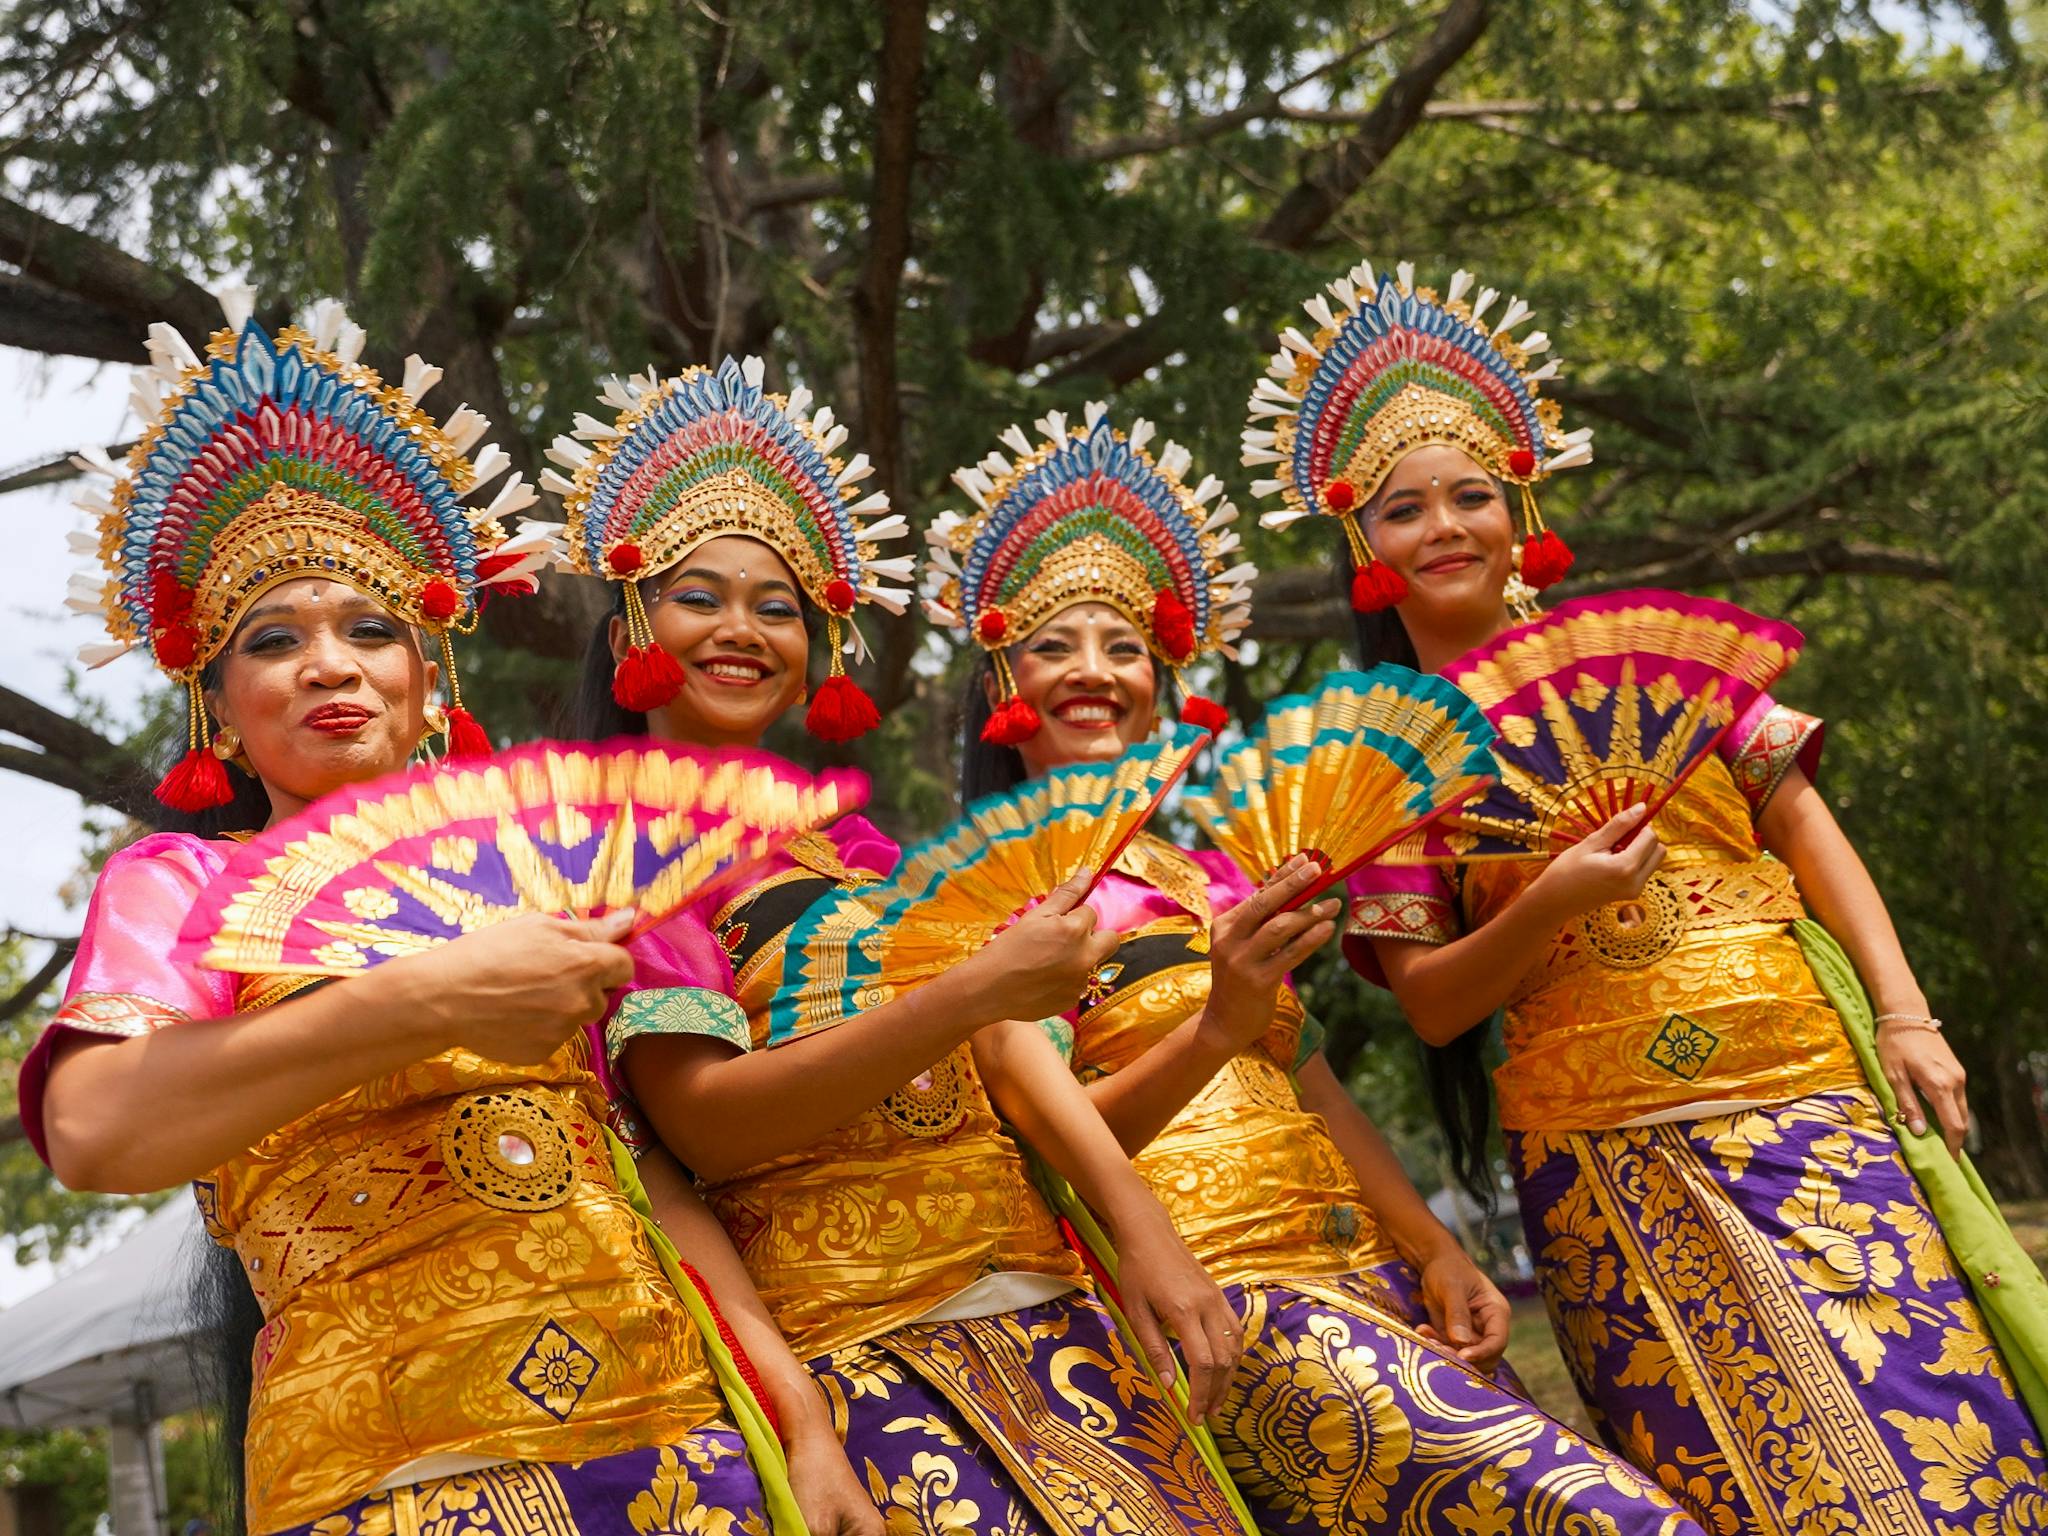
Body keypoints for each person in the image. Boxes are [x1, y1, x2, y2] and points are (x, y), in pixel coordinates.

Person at [26, 295, 860, 1535]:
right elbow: (92, 1133)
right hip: (386, 1474)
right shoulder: (182, 887)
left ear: (428, 685)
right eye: (273, 639)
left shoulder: (544, 878)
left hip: (674, 1445)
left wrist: (798, 1424)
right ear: (220, 704)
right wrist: (417, 1002)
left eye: (373, 631)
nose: (329, 663)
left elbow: (646, 1172)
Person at [1258, 256, 2048, 1530]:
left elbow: (1802, 827)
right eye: (1404, 510)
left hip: (1802, 1093)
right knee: (1728, 1459)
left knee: (1930, 1423)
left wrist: (1906, 1016)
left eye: (1470, 494)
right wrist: (1552, 900)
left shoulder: (1647, 664)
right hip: (1600, 1156)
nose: (1443, 526)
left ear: (1522, 508)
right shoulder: (1378, 763)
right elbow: (1439, 1010)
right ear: (1362, 541)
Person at [935, 403, 1702, 1535]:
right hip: (1223, 1294)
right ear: (1003, 676)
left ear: (1166, 685)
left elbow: (1309, 1081)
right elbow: (1043, 1151)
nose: (1093, 674)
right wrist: (1211, 1031)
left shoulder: (1202, 872)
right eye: (1054, 646)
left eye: (1124, 649)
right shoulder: (981, 904)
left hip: (1362, 1276)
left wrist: (1434, 1247)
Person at [549, 358, 1255, 1536]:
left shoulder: (859, 845)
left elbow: (1009, 1056)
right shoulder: (611, 855)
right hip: (866, 1347)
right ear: (633, 616)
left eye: (777, 607)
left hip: (1052, 1308)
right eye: (699, 597)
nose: (741, 631)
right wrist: (970, 988)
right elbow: (704, 1127)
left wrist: (1142, 1232)